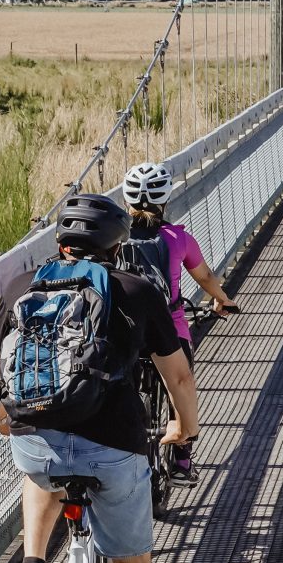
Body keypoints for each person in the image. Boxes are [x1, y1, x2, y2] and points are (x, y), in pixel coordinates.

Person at [0, 191, 200, 563]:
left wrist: (8, 424)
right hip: (114, 448)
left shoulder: (20, 287)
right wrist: (184, 430)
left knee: (38, 471)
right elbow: (177, 377)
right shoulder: (135, 291)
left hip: (34, 439)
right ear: (117, 244)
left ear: (59, 241)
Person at [116, 161, 236, 481]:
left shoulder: (113, 237)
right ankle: (183, 460)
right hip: (168, 324)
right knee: (182, 379)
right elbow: (205, 276)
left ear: (126, 200)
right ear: (165, 198)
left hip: (124, 327)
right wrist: (222, 299)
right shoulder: (178, 237)